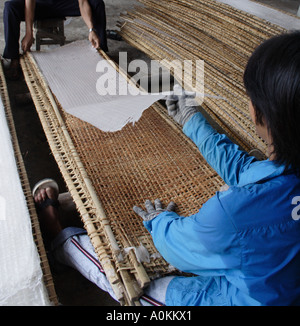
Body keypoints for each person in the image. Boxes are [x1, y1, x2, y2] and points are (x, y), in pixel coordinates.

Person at [34, 32, 300, 306]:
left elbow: (176, 248)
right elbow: (248, 170)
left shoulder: (233, 215)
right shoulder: (280, 176)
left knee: (132, 282)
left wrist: (159, 220)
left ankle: (61, 240)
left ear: (259, 114)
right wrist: (192, 121)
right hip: (276, 283)